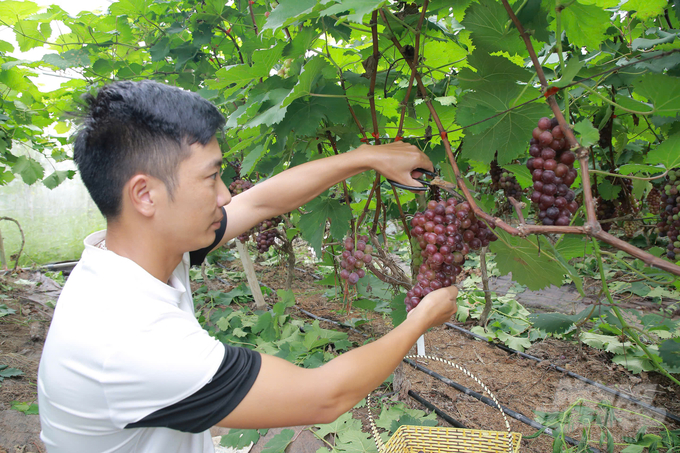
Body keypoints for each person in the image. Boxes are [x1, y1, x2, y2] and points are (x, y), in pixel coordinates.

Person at [37, 80, 458, 453]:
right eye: (210, 178)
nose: (224, 195)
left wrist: (367, 157)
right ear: (145, 195)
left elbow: (258, 202)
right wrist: (419, 319)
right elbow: (326, 396)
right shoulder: (128, 341)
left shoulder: (138, 254)